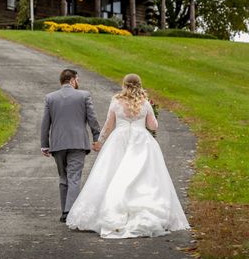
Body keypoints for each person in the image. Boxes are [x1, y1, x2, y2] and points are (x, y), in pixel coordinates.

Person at [66, 74, 190, 238]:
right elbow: (153, 126)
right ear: (140, 85)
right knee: (144, 176)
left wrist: (100, 142)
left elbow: (109, 125)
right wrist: (150, 115)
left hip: (119, 139)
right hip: (141, 140)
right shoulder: (145, 103)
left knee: (111, 174)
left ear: (124, 85)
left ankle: (109, 210)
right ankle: (142, 206)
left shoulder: (116, 101)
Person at [40, 69, 101, 223]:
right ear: (73, 80)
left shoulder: (50, 98)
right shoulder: (84, 95)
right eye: (77, 79)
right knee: (74, 177)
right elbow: (92, 118)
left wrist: (44, 145)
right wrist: (96, 137)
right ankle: (69, 212)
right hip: (77, 143)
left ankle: (65, 211)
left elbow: (45, 123)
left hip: (58, 144)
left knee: (63, 177)